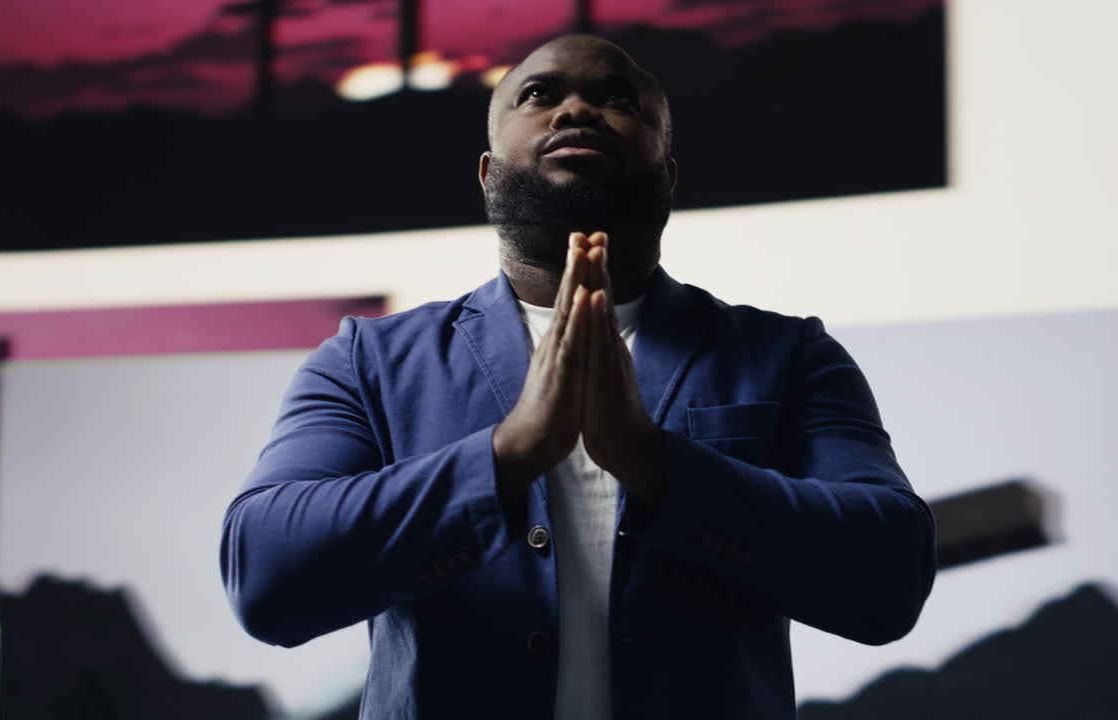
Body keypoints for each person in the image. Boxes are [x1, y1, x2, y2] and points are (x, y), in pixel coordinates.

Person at [220, 34, 936, 720]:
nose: (576, 111)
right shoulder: (366, 361)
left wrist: (652, 464)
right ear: (488, 172)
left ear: (668, 173)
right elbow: (266, 576)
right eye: (539, 93)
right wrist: (510, 453)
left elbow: (890, 577)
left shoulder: (791, 354)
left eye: (617, 98)